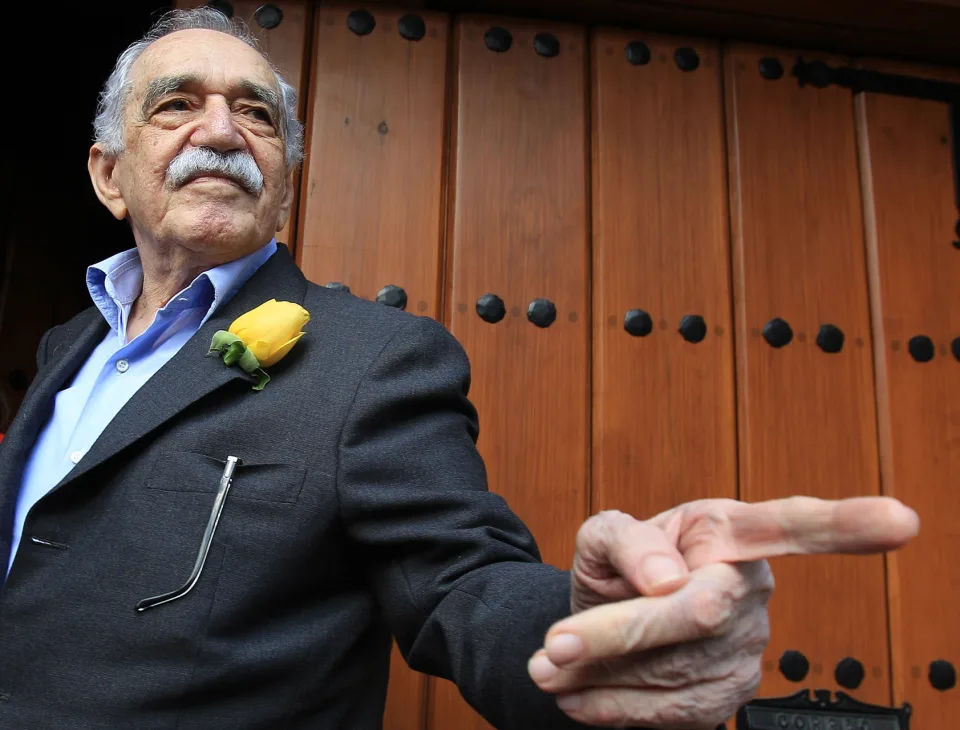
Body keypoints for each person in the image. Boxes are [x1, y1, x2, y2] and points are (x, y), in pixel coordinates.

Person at [0, 8, 918, 730]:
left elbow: (460, 583)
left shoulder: (373, 358)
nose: (224, 130)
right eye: (176, 104)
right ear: (109, 175)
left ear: (282, 183)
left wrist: (592, 629)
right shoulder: (64, 349)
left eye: (256, 114)